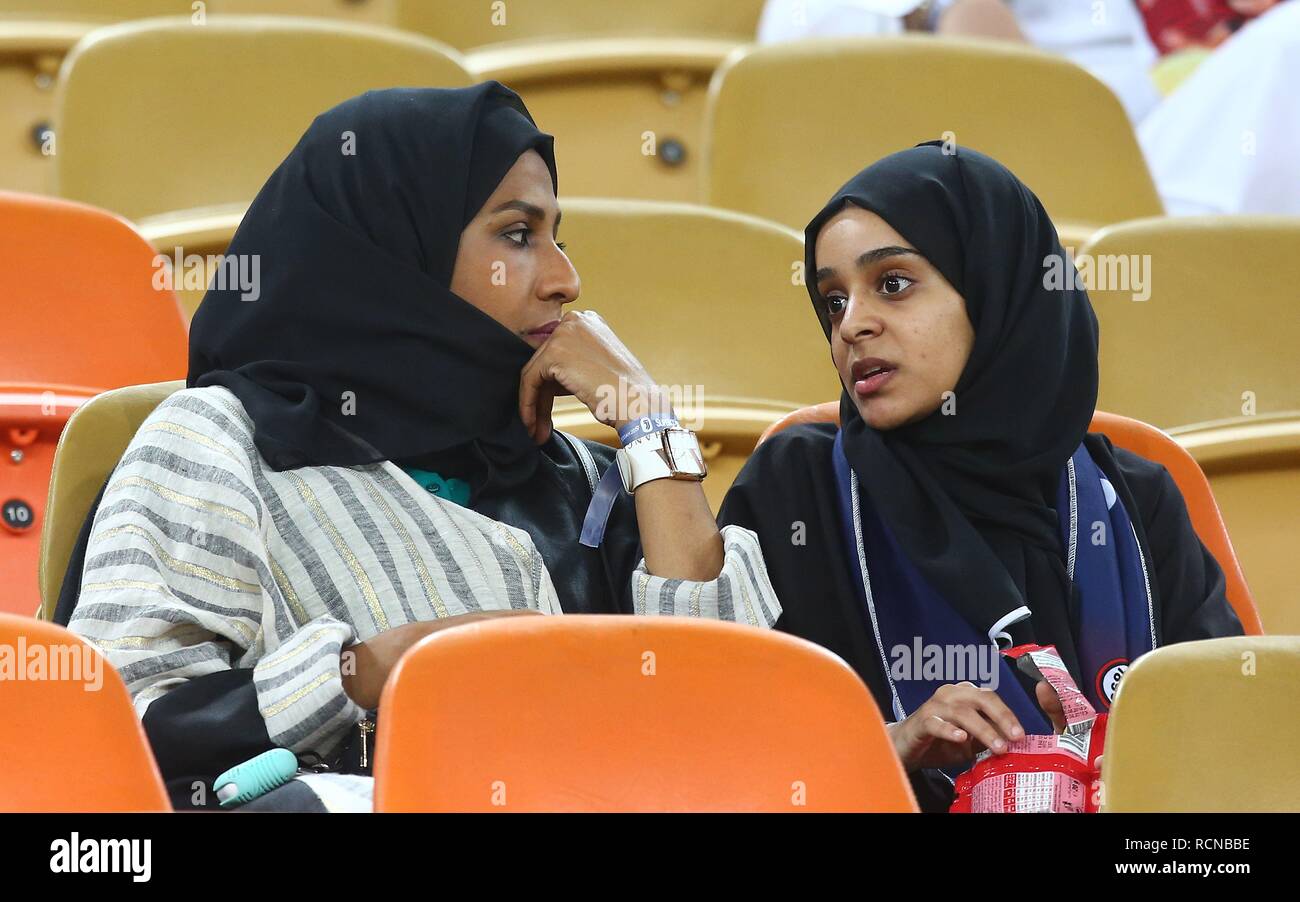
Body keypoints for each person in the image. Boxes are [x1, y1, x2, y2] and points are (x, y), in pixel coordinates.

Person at [64, 82, 780, 811]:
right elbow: (113, 726)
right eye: (518, 235)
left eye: (559, 238)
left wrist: (648, 421)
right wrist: (361, 674)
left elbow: (738, 720)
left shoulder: (579, 479)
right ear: (396, 249)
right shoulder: (221, 444)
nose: (567, 279)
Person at [719, 142, 1242, 811]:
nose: (853, 326)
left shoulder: (1137, 499)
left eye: (893, 284)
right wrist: (889, 742)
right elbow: (722, 752)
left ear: (998, 287)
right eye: (831, 302)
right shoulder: (797, 492)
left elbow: (1231, 745)